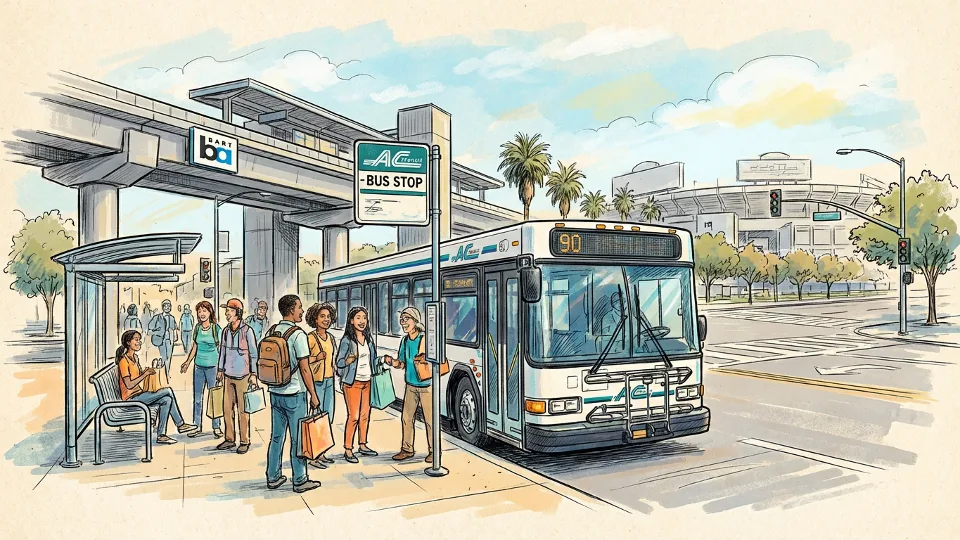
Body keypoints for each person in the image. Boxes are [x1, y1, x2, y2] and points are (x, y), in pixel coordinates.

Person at [265, 294, 321, 493]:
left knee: (276, 437)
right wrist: (313, 394)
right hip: (295, 393)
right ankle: (300, 479)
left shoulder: (272, 330)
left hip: (275, 391)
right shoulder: (298, 335)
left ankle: (273, 476)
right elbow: (305, 369)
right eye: (299, 308)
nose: (302, 311)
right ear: (291, 310)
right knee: (298, 438)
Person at [115, 329, 198, 444]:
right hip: (131, 399)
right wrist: (145, 374)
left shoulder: (135, 358)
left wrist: (149, 370)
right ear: (128, 342)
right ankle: (180, 424)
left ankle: (161, 435)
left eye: (140, 340)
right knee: (168, 391)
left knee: (167, 400)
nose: (139, 342)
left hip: (139, 394)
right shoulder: (124, 361)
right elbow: (129, 384)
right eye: (136, 340)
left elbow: (138, 376)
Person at [336, 306, 389, 464]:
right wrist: (348, 361)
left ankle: (363, 445)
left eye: (364, 318)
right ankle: (348, 448)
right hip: (352, 383)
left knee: (365, 415)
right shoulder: (346, 340)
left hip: (368, 381)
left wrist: (382, 360)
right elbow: (338, 364)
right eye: (358, 318)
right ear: (351, 321)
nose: (362, 321)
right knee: (354, 417)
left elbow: (373, 360)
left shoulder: (369, 340)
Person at [387, 307, 435, 463]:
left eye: (406, 319)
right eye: (402, 320)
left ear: (415, 320)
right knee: (407, 418)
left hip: (426, 385)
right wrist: (393, 362)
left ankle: (434, 451)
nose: (403, 323)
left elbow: (432, 359)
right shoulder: (405, 340)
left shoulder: (425, 339)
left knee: (430, 420)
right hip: (410, 385)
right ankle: (407, 449)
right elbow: (401, 363)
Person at [216, 298, 259, 454]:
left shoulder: (247, 331)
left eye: (230, 311)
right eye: (226, 311)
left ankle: (244, 440)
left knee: (243, 410)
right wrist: (220, 370)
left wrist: (254, 374)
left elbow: (254, 355)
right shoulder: (225, 331)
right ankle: (229, 439)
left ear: (237, 313)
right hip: (228, 375)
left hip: (244, 376)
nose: (227, 314)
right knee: (227, 409)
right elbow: (223, 352)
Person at [179, 301, 222, 438]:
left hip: (213, 367)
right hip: (198, 367)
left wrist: (221, 368)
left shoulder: (216, 329)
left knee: (214, 397)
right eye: (199, 311)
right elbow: (195, 347)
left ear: (210, 313)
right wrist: (187, 362)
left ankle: (216, 427)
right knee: (197, 398)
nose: (202, 314)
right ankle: (197, 426)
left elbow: (221, 349)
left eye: (205, 311)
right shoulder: (197, 328)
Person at [305, 302, 338, 469]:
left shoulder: (331, 338)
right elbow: (303, 361)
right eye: (322, 316)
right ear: (315, 319)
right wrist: (316, 358)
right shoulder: (310, 338)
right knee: (316, 418)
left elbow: (332, 359)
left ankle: (322, 453)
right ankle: (313, 456)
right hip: (316, 382)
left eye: (328, 316)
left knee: (327, 417)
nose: (326, 319)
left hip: (329, 381)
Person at [148, 300, 178, 378]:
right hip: (161, 339)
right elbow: (150, 327)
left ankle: (167, 372)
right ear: (162, 307)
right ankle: (165, 373)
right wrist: (157, 330)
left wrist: (175, 335)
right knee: (164, 357)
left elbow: (174, 328)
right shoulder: (158, 317)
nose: (167, 308)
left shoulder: (172, 318)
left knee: (169, 357)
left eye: (169, 306)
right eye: (165, 306)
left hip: (170, 339)